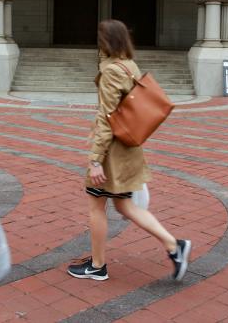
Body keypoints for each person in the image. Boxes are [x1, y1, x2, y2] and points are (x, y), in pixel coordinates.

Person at [67, 19, 191, 282]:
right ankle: (173, 245)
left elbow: (107, 117)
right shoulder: (129, 65)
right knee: (124, 205)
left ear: (106, 42)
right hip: (128, 149)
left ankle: (98, 266)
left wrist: (95, 160)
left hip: (111, 153)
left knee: (96, 206)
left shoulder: (112, 70)